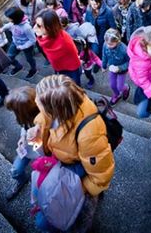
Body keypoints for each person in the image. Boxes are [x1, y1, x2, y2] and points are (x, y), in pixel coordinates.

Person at [30, 75, 115, 232]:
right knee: (38, 196)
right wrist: (38, 134)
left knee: (44, 223)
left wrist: (77, 191)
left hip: (77, 173)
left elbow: (101, 174)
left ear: (56, 110)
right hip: (60, 164)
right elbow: (43, 120)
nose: (36, 104)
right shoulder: (60, 107)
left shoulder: (90, 133)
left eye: (40, 104)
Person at [127, 26, 151, 142]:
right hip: (147, 84)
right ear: (145, 47)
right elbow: (142, 80)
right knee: (141, 112)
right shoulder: (141, 61)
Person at [4, 86, 42, 201]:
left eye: (15, 111)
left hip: (41, 154)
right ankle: (22, 181)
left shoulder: (44, 123)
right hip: (28, 149)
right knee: (15, 171)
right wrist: (22, 136)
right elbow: (24, 127)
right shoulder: (27, 118)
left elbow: (45, 150)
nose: (14, 114)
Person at [34, 10, 82, 86]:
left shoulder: (64, 41)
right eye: (35, 24)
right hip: (58, 68)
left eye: (39, 26)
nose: (35, 28)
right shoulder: (41, 36)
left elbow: (74, 52)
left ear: (49, 28)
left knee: (74, 88)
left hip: (71, 69)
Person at [2, 7, 38, 79]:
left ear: (15, 18)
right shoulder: (13, 22)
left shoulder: (27, 27)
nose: (8, 19)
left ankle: (33, 69)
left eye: (9, 18)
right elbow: (10, 24)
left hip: (26, 46)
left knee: (29, 59)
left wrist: (23, 47)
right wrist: (3, 28)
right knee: (9, 57)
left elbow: (33, 40)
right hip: (15, 43)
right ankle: (18, 66)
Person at [102, 29, 130, 105]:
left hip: (121, 70)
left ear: (118, 41)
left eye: (111, 44)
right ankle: (116, 95)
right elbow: (104, 55)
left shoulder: (124, 49)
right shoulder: (105, 45)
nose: (108, 46)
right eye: (107, 43)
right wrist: (103, 66)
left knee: (120, 87)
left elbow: (130, 62)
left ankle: (126, 88)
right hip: (111, 67)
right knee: (112, 85)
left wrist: (119, 68)